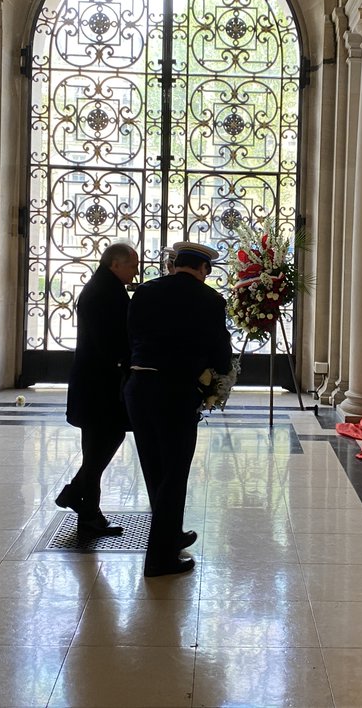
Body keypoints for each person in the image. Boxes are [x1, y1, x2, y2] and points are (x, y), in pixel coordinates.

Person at [125, 240, 232, 576]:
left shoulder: (144, 292)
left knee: (155, 469)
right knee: (174, 474)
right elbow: (221, 357)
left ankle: (169, 533)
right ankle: (160, 559)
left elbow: (128, 338)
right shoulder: (211, 300)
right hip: (175, 392)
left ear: (175, 263)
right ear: (204, 269)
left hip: (139, 388)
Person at [56, 242, 139, 535]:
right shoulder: (104, 293)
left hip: (96, 381)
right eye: (132, 266)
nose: (135, 271)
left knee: (96, 446)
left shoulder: (104, 287)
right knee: (104, 439)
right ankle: (81, 502)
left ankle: (87, 513)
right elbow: (112, 341)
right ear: (115, 264)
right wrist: (128, 363)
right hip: (99, 383)